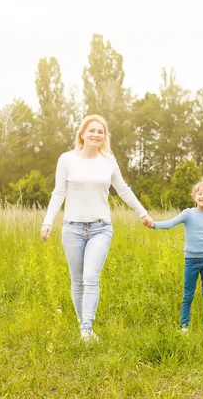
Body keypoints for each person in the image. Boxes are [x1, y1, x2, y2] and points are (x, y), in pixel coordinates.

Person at [40, 114, 154, 342]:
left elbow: (123, 190)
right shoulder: (67, 159)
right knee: (78, 279)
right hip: (72, 228)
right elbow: (59, 192)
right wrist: (48, 220)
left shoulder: (108, 161)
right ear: (82, 133)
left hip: (101, 228)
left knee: (91, 277)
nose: (96, 134)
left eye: (100, 131)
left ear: (105, 136)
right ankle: (86, 328)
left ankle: (85, 329)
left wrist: (143, 213)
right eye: (91, 130)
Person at [151, 181, 203, 335]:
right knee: (188, 294)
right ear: (194, 196)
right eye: (200, 193)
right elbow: (170, 224)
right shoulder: (188, 213)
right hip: (191, 261)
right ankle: (184, 326)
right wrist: (153, 224)